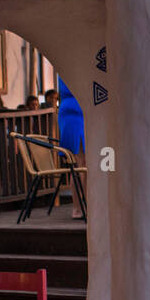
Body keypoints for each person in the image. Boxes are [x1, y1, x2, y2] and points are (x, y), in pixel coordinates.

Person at [56, 78, 87, 219]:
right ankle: (79, 207)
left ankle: (81, 206)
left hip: (73, 107)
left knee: (81, 164)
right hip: (77, 108)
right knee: (82, 164)